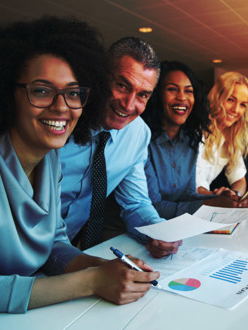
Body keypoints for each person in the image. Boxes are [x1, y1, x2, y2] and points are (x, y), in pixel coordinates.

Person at [0, 17, 158, 314]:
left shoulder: (49, 156)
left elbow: (53, 244)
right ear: (5, 90)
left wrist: (106, 268)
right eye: (41, 90)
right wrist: (92, 280)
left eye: (73, 92)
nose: (62, 106)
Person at [60, 37, 182, 257]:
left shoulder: (138, 133)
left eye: (142, 95)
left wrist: (157, 231)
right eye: (122, 86)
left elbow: (135, 203)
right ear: (101, 77)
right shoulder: (62, 118)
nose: (128, 105)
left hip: (69, 251)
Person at [142, 61, 244, 220]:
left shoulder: (191, 140)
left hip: (175, 228)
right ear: (157, 94)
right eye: (172, 89)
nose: (182, 97)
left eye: (188, 91)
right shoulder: (144, 141)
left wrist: (223, 199)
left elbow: (188, 194)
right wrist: (208, 204)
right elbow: (152, 207)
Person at [196, 72, 248, 204]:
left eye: (242, 104)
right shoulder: (197, 131)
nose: (236, 110)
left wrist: (235, 194)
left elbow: (239, 179)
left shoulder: (231, 136)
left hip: (207, 204)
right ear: (217, 97)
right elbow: (195, 187)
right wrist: (222, 197)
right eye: (231, 100)